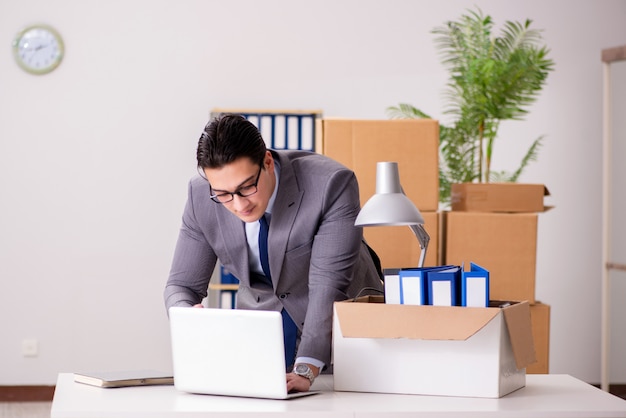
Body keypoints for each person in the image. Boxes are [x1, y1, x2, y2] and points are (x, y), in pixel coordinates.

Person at [164, 114, 383, 393]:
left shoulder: (331, 184)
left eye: (247, 187)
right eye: (223, 194)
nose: (238, 204)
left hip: (344, 340)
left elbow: (328, 284)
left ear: (267, 162)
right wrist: (187, 317)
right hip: (263, 344)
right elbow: (181, 285)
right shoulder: (199, 197)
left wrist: (307, 366)